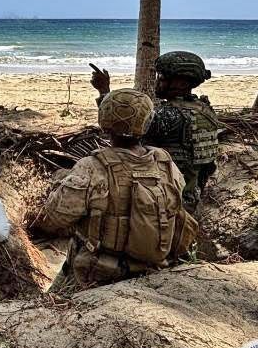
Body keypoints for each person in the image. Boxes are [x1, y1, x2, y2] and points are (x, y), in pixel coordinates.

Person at [40, 89, 198, 296]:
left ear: (103, 122)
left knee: (50, 302)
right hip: (154, 270)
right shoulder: (164, 162)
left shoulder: (92, 166)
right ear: (147, 123)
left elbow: (52, 219)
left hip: (97, 275)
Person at [91, 51, 220, 213]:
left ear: (180, 83)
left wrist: (104, 91)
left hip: (163, 203)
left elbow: (123, 127)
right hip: (190, 198)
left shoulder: (170, 116)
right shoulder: (205, 110)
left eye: (162, 77)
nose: (157, 81)